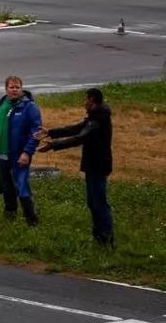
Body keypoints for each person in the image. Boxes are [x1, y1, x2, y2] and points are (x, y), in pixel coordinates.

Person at [34, 87, 114, 247]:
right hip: (93, 166)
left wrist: (53, 146)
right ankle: (99, 237)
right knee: (93, 202)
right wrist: (51, 132)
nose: (84, 102)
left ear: (92, 100)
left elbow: (79, 138)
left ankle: (106, 238)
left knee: (99, 203)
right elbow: (76, 128)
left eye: (86, 99)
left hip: (98, 166)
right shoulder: (95, 117)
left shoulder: (98, 121)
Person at [0, 76, 42, 225]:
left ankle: (31, 220)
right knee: (6, 186)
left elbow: (36, 132)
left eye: (17, 87)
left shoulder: (29, 107)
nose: (14, 90)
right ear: (6, 89)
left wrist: (27, 152)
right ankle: (10, 216)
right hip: (1, 153)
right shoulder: (1, 104)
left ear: (22, 89)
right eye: (11, 87)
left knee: (22, 186)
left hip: (19, 155)